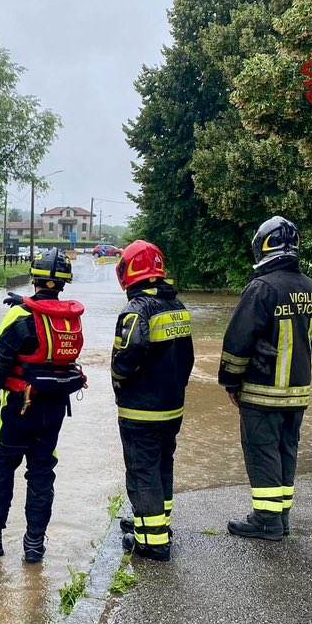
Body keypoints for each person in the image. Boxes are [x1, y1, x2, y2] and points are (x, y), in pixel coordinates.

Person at [0, 248, 86, 563]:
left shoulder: (20, 316)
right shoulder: (69, 318)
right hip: (54, 407)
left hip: (18, 406)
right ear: (63, 283)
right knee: (42, 474)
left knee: (1, 468)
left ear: (33, 276)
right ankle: (34, 546)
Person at [219, 216, 312, 541]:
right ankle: (281, 517)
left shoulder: (262, 289)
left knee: (262, 452)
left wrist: (231, 381)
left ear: (262, 247)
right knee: (286, 451)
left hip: (262, 394)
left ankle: (266, 521)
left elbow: (238, 343)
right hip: (297, 394)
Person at [111, 241, 195, 562]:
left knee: (142, 471)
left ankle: (151, 541)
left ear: (129, 274)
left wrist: (119, 382)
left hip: (140, 409)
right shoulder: (179, 308)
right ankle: (158, 522)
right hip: (172, 407)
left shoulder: (136, 311)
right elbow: (188, 360)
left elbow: (126, 357)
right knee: (162, 465)